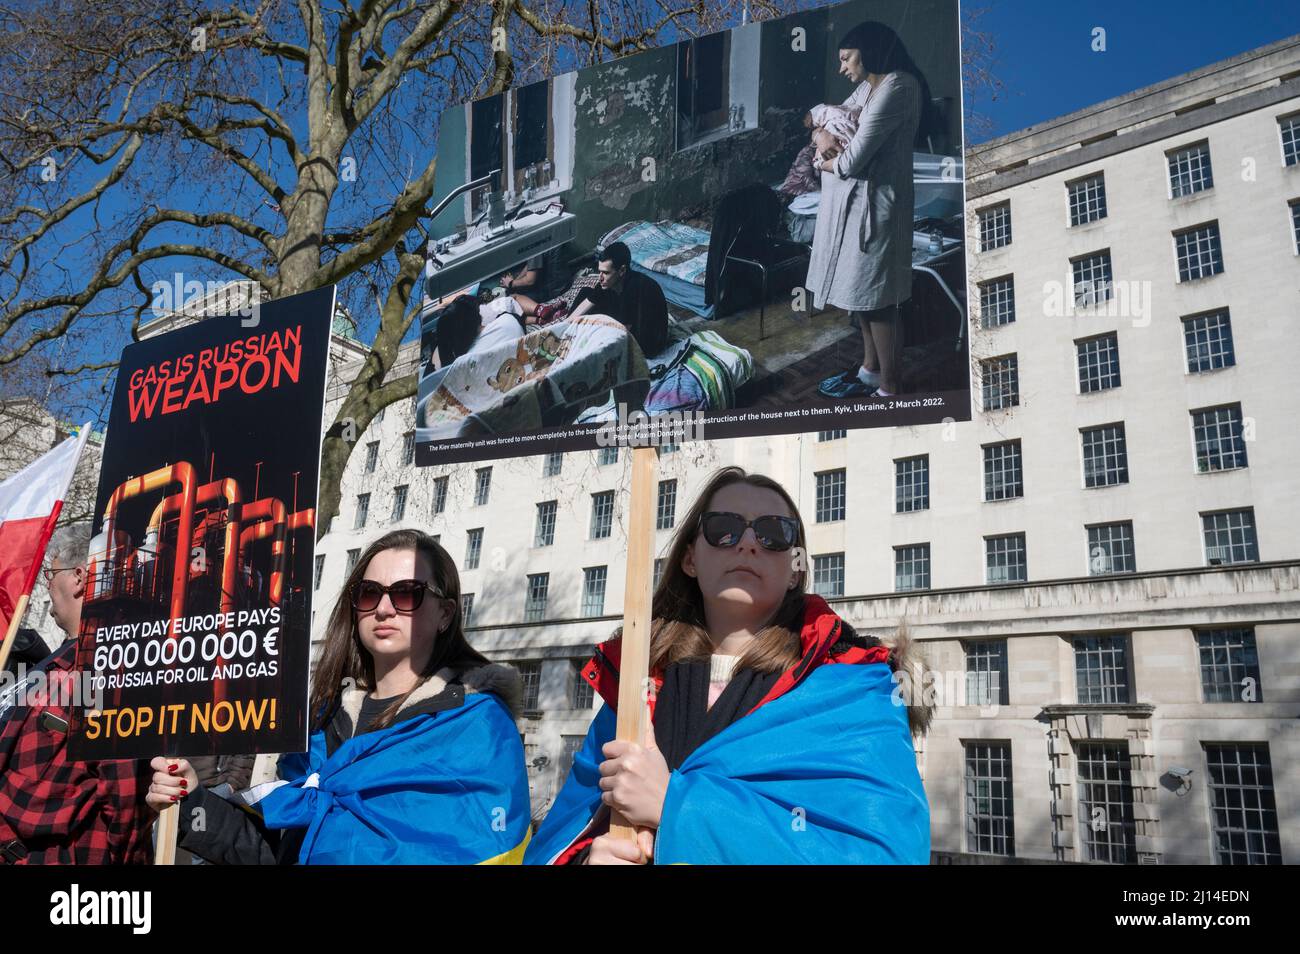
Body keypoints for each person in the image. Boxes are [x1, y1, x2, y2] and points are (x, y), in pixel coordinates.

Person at [524, 467, 931, 865]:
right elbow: (558, 838)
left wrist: (676, 807)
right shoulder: (632, 685)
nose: (749, 543)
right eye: (724, 528)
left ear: (795, 569)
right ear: (690, 559)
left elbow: (888, 853)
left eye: (774, 533)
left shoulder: (856, 688)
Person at [146, 529, 532, 864]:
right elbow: (276, 851)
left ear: (445, 613)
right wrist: (191, 799)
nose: (383, 609)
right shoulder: (321, 723)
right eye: (369, 593)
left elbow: (488, 850)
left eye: (407, 593)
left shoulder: (478, 724)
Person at [0, 525, 154, 865]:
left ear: (80, 577)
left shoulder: (107, 664)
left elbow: (124, 796)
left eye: (50, 573)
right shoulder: (63, 661)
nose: (46, 584)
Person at [806, 22, 933, 400]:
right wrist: (821, 137)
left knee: (879, 301)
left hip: (877, 211)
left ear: (867, 49)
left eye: (846, 58)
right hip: (853, 208)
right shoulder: (869, 85)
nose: (841, 68)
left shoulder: (898, 86)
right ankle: (869, 370)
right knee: (861, 295)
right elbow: (823, 118)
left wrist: (826, 162)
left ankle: (891, 387)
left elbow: (852, 161)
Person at [568, 241, 669, 357]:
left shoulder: (635, 289)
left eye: (605, 273)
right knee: (586, 292)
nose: (600, 277)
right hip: (627, 323)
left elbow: (622, 333)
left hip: (647, 342)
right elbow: (586, 304)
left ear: (622, 270)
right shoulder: (608, 282)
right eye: (599, 271)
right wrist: (564, 327)